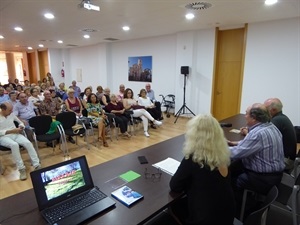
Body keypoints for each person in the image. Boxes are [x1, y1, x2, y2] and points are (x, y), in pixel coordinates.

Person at [169, 114, 235, 225]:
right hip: (227, 216)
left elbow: (175, 186)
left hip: (206, 220)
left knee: (174, 207)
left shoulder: (194, 158)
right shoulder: (222, 153)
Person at [228, 103, 285, 196]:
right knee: (234, 168)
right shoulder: (271, 126)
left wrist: (215, 148)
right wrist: (234, 143)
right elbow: (254, 145)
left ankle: (238, 208)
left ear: (254, 118)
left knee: (228, 181)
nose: (245, 116)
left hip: (263, 179)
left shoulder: (258, 134)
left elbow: (236, 153)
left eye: (246, 114)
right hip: (274, 176)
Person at [0, 102, 41, 180]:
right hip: (3, 137)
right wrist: (11, 131)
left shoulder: (11, 114)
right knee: (14, 145)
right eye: (9, 110)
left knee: (28, 143)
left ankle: (37, 164)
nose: (12, 111)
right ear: (3, 110)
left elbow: (21, 122)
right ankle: (21, 169)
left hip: (15, 134)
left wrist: (21, 127)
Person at [264, 98, 297, 171]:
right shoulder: (281, 117)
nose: (263, 111)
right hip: (287, 158)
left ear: (274, 110)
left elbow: (264, 138)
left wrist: (248, 133)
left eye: (265, 109)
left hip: (285, 161)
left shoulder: (277, 121)